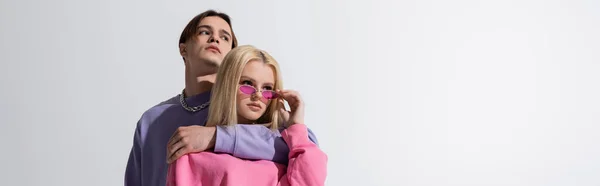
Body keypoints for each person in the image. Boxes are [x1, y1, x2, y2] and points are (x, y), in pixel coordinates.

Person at [124, 10, 319, 186]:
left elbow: (303, 146)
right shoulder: (151, 120)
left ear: (232, 55)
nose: (215, 39)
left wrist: (215, 136)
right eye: (204, 32)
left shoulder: (243, 106)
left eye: (225, 37)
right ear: (183, 49)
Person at [166, 45, 327, 186]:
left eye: (267, 88)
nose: (258, 95)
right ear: (227, 84)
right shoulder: (192, 152)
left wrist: (296, 125)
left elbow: (311, 179)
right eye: (247, 84)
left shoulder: (288, 146)